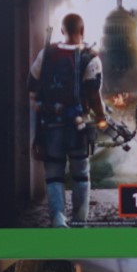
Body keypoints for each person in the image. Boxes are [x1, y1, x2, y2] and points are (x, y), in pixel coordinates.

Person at [28, 13, 104, 227]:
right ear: (83, 31)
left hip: (51, 125)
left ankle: (58, 221)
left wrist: (43, 111)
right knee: (81, 175)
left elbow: (32, 86)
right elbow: (93, 94)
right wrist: (101, 117)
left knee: (53, 176)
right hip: (78, 126)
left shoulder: (46, 54)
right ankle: (79, 221)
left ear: (62, 31)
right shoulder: (91, 57)